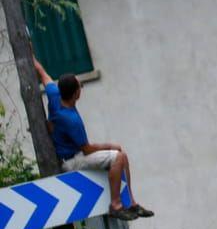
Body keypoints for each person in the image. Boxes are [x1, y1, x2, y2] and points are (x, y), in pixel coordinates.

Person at [34, 60, 152, 220]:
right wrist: (110, 145)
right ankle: (115, 206)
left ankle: (131, 203)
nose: (81, 88)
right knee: (117, 157)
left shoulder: (55, 95)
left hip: (74, 154)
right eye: (80, 86)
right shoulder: (71, 120)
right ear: (76, 93)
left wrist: (30, 53)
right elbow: (87, 149)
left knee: (121, 155)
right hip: (71, 161)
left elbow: (42, 72)